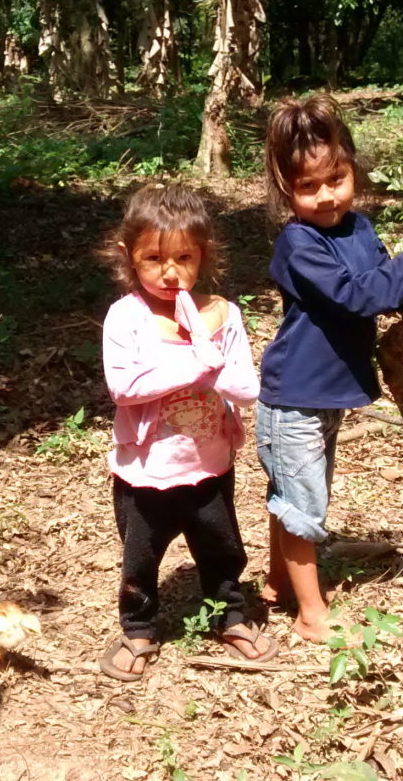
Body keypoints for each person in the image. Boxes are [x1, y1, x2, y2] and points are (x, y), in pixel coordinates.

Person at [256, 94, 403, 641]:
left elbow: (388, 290)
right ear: (287, 190)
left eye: (336, 179)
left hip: (326, 392)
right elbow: (356, 297)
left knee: (296, 492)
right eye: (308, 187)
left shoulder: (358, 229)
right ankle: (311, 614)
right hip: (296, 395)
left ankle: (280, 582)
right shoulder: (297, 244)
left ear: (353, 170)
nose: (327, 196)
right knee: (301, 502)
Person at [99, 184, 278, 681]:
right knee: (141, 556)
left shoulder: (222, 314)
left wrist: (206, 344)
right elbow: (125, 386)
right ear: (128, 256)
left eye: (184, 257)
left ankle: (231, 616)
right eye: (153, 258)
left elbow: (244, 387)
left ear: (204, 255)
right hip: (146, 473)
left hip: (210, 463)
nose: (170, 271)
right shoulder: (127, 317)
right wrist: (195, 365)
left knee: (222, 547)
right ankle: (138, 627)